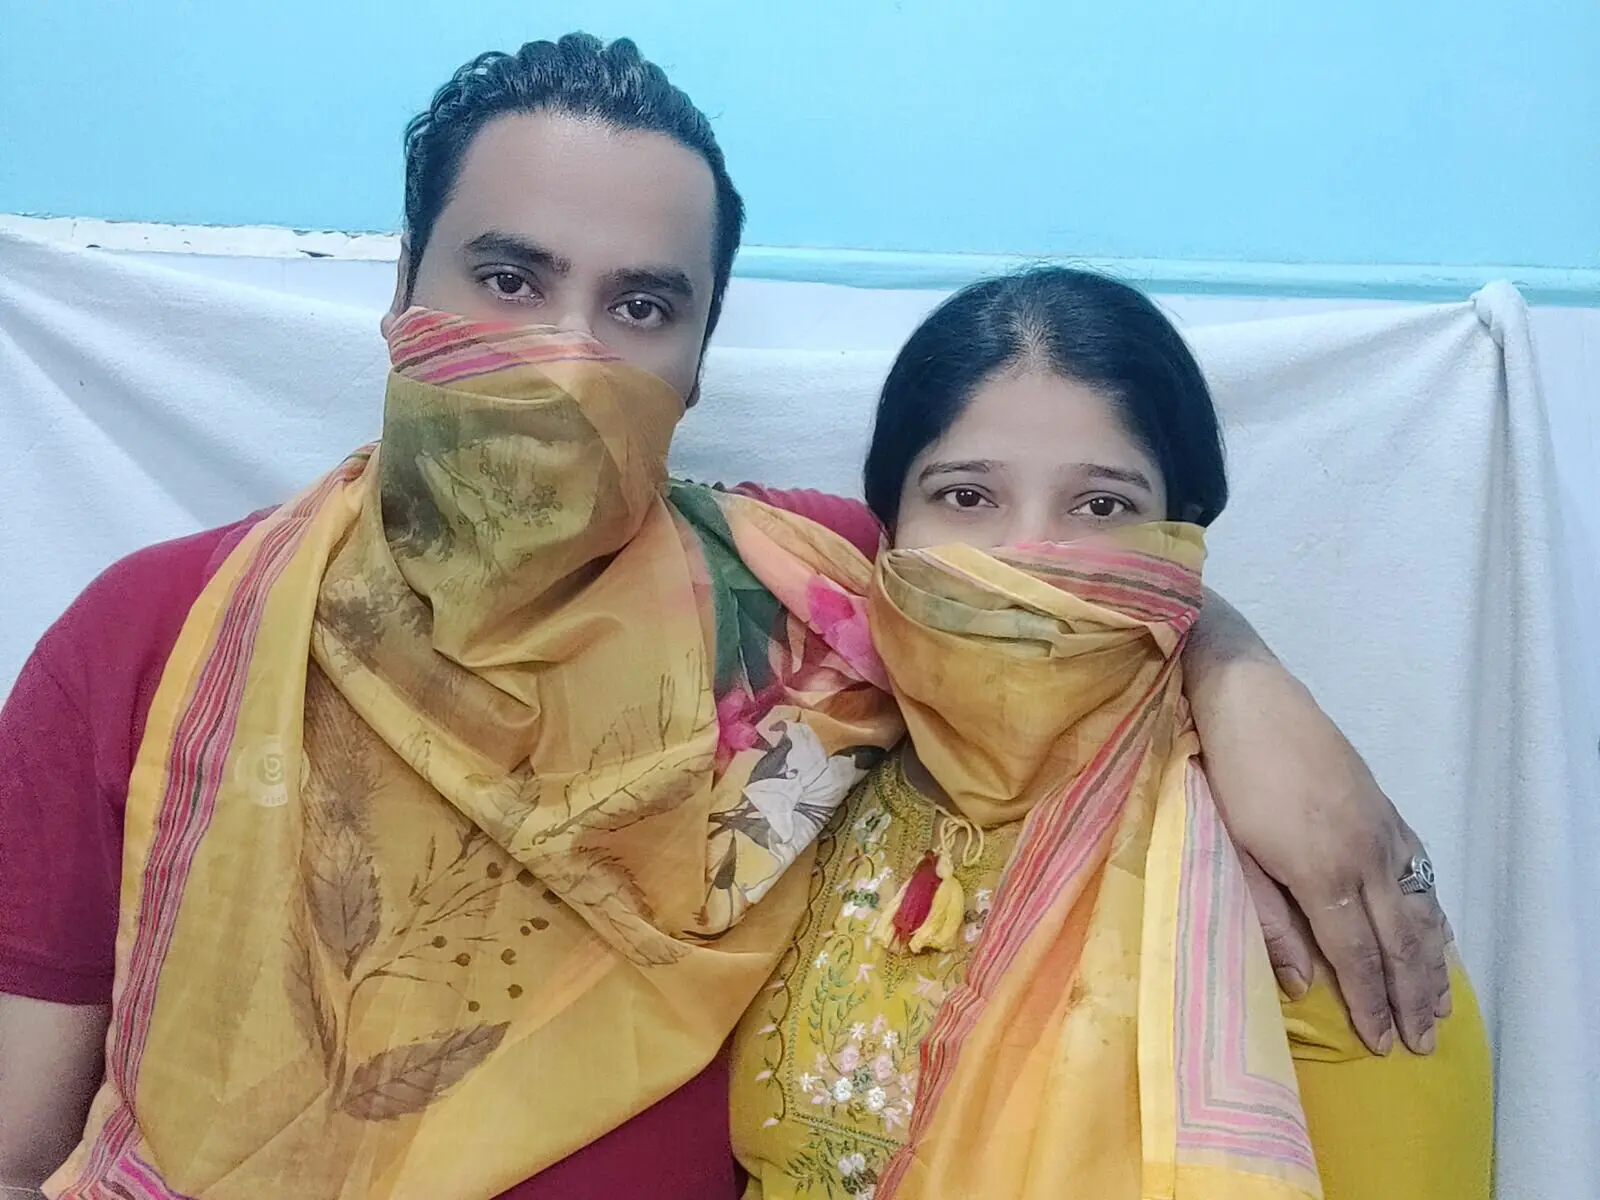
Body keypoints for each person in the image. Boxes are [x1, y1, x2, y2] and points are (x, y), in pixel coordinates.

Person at [0, 35, 1449, 1198]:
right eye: (508, 279)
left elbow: (1051, 586)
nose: (567, 355)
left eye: (640, 307)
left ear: (696, 358)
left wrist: (1238, 671)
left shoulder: (810, 602)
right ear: (398, 287)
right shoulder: (150, 640)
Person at [731, 267, 1492, 1199]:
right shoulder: (796, 789)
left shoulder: (1300, 875)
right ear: (888, 530)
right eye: (966, 496)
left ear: (1180, 541)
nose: (1029, 560)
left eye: (1102, 507)